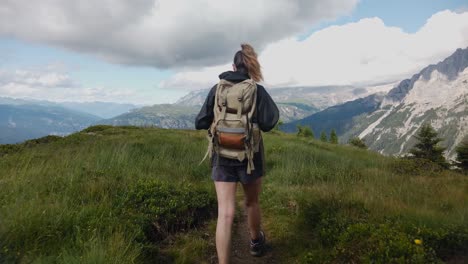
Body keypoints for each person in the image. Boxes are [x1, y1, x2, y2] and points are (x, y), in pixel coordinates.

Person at [195, 43, 279, 263]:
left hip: (221, 157)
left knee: (225, 214)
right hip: (250, 157)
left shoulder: (218, 89)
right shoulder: (256, 90)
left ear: (233, 66)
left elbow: (200, 121)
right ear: (250, 67)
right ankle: (255, 243)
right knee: (251, 202)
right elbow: (270, 122)